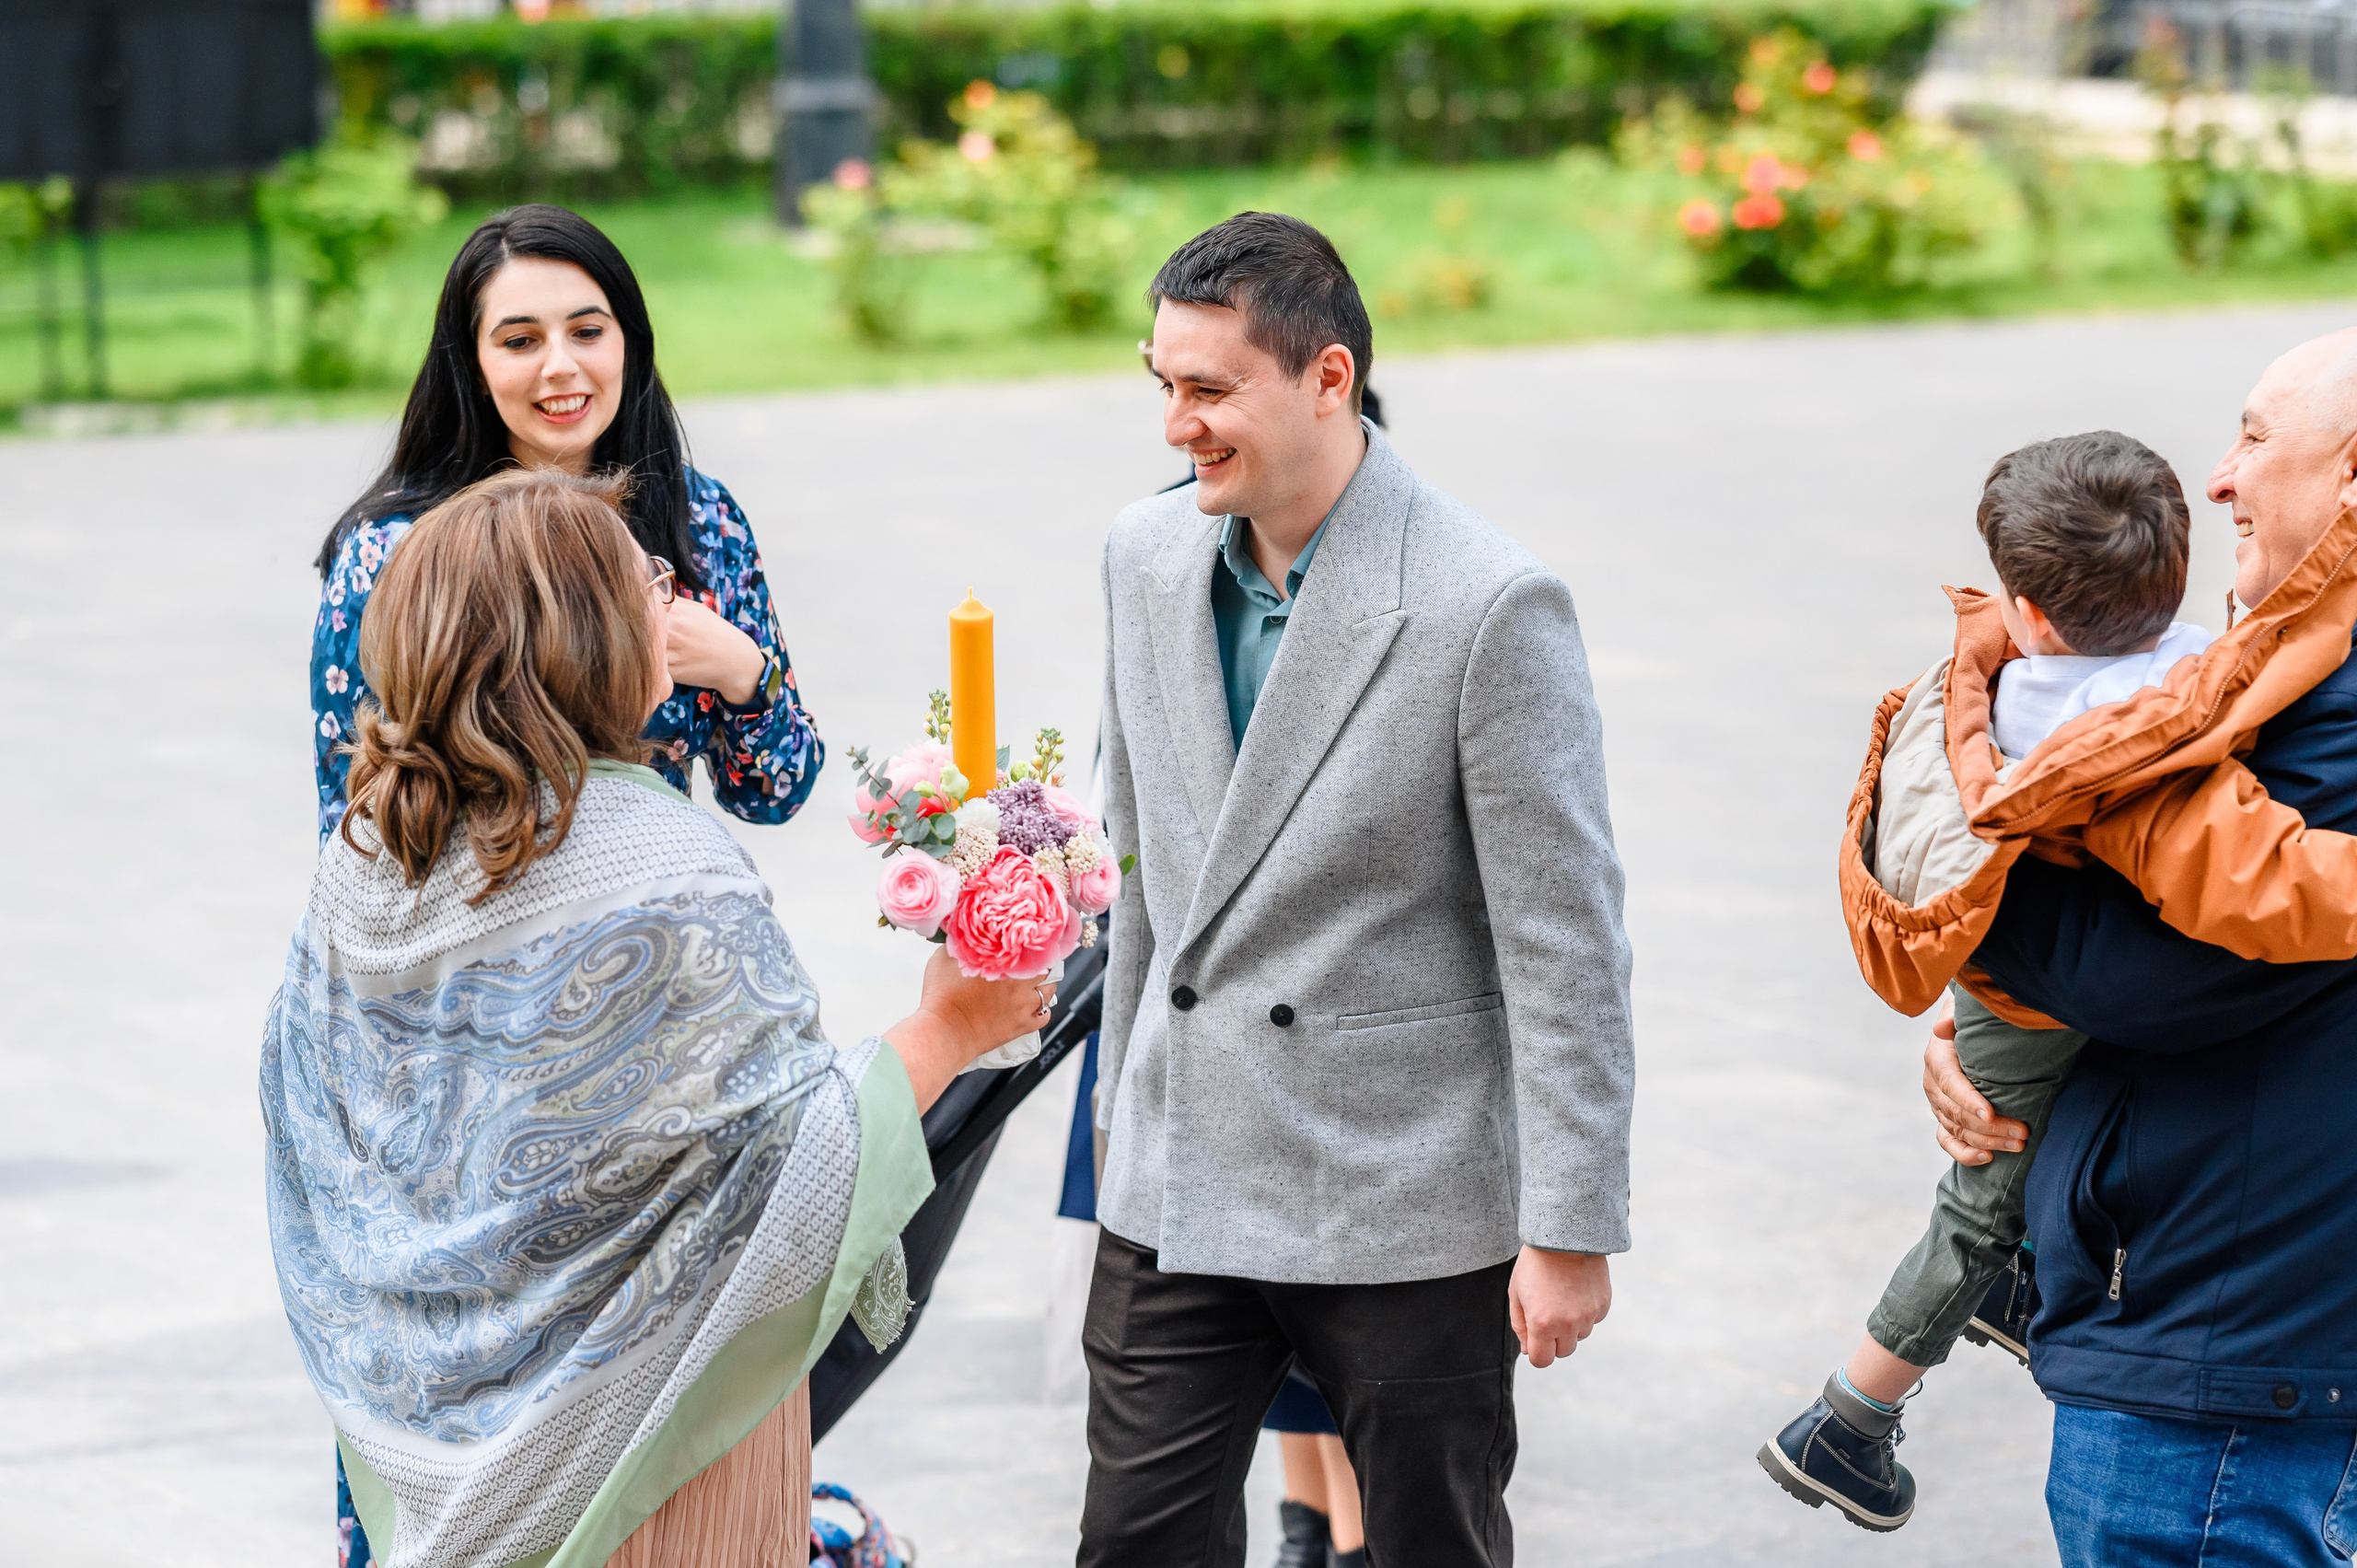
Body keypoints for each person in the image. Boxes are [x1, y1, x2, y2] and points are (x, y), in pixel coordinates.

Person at [266, 469, 1050, 1568]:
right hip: (653, 1438)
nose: (673, 608)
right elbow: (782, 1156)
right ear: (582, 634)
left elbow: (316, 1135)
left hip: (434, 1427)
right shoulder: (655, 860)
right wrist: (951, 1030)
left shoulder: (366, 852)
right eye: (653, 586)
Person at [1083, 211, 1636, 1566]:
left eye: (1211, 390)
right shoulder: (1140, 556)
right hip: (1180, 1174)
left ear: (1329, 377)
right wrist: (1120, 1111)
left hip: (1403, 1193)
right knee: (1132, 1543)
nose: (1177, 424)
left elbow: (1565, 943)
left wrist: (1569, 1226)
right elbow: (1146, 868)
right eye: (1163, 383)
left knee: (1430, 1549)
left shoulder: (1488, 602)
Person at [1910, 331, 2357, 1564]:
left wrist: (1987, 941)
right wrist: (1986, 1017)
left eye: (2257, 437)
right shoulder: (2278, 665)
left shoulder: (2336, 694)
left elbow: (2151, 974)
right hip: (2236, 1348)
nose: (2217, 479)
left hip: (2233, 1364)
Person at [311, 202, 820, 841]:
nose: (560, 365)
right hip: (469, 923)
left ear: (629, 341)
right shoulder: (392, 549)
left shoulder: (700, 520)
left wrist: (744, 672)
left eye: (587, 331)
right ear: (473, 362)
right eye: (521, 341)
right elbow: (349, 821)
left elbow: (776, 794)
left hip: (648, 917)